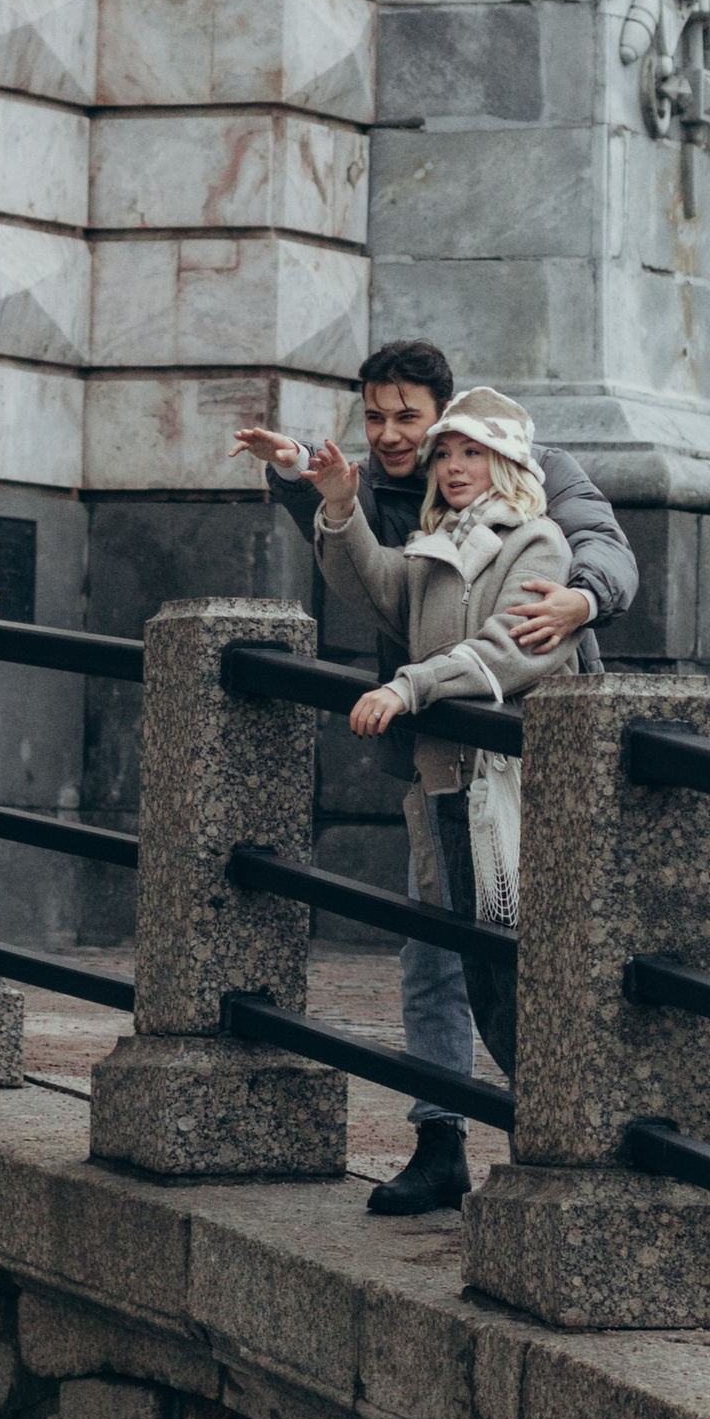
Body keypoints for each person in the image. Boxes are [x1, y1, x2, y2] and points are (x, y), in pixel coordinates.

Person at [232, 343, 640, 1199]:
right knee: (439, 952)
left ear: (462, 425)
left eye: (413, 421)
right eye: (376, 418)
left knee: (531, 956)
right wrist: (317, 485)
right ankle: (443, 1138)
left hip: (527, 767)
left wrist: (582, 597)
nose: (397, 438)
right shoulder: (426, 516)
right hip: (441, 766)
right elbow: (373, 569)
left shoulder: (539, 499)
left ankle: (570, 1130)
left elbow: (585, 561)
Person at [307, 388, 576, 1212]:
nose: (454, 469)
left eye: (472, 455)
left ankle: (566, 1135)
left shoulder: (536, 542)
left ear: (507, 462)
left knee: (510, 970)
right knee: (448, 957)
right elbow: (379, 588)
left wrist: (409, 686)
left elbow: (508, 653)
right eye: (446, 455)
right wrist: (343, 509)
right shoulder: (433, 544)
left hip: (506, 795)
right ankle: (466, 1142)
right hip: (441, 786)